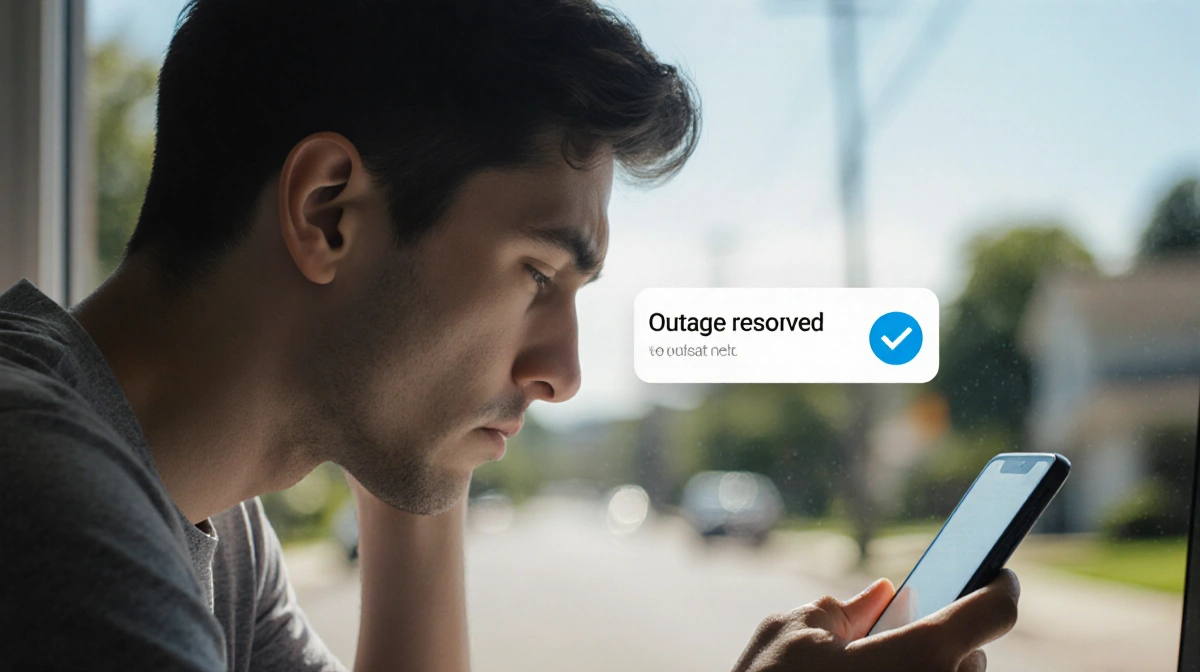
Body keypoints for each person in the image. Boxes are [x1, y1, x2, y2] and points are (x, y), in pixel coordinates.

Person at [0, 1, 1018, 670]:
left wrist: (413, 453)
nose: (564, 374)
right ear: (327, 214)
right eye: (539, 275)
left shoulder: (207, 524)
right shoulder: (43, 502)